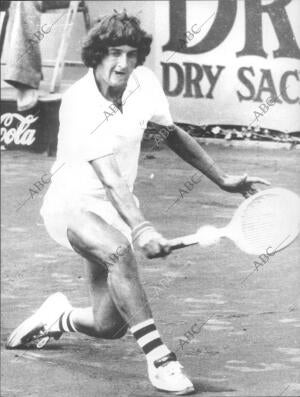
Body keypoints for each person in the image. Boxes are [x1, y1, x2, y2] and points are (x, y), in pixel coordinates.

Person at [6, 11, 270, 395]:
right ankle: (161, 359)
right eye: (114, 52)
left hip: (113, 210)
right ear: (97, 54)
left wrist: (222, 178)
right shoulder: (80, 103)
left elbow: (169, 132)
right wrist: (141, 228)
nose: (123, 63)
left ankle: (55, 317)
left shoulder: (143, 83)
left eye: (131, 54)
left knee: (109, 324)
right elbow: (111, 179)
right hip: (71, 207)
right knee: (118, 252)